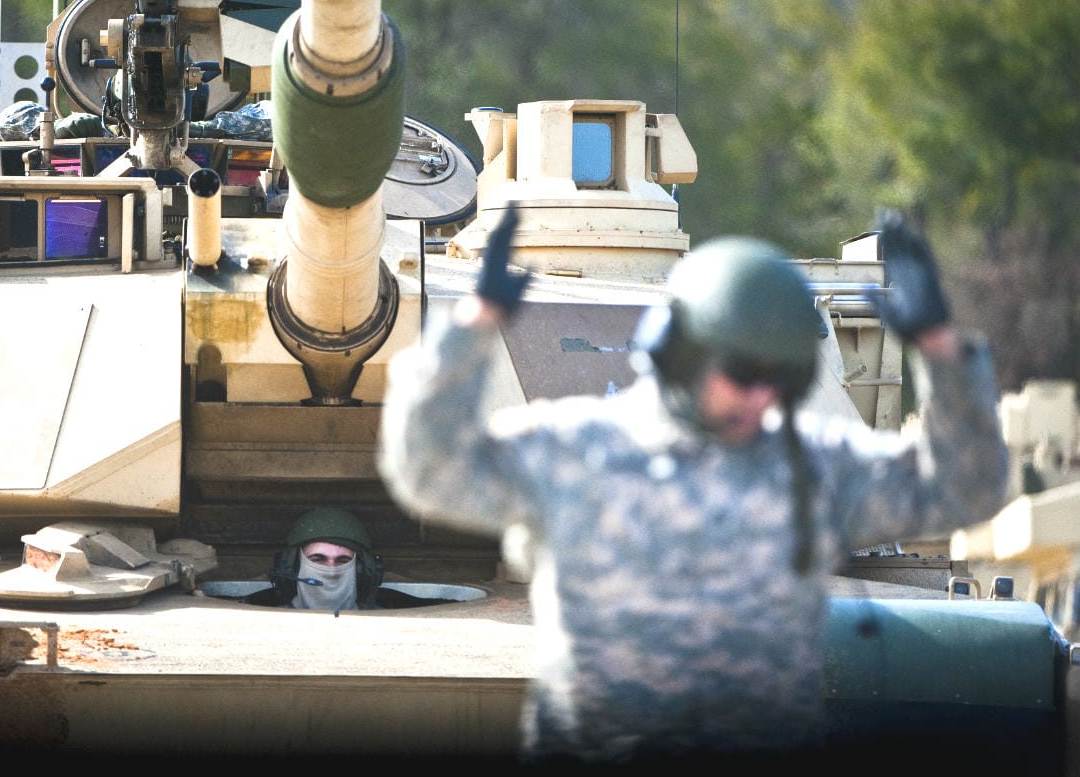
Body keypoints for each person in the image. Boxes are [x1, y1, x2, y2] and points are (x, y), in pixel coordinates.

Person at [377, 204, 1009, 765]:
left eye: (781, 380)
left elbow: (964, 489)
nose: (761, 398)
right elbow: (428, 470)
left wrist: (940, 350)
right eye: (742, 372)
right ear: (681, 350)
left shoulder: (813, 466)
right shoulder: (580, 449)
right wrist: (472, 326)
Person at [227, 506, 454, 611]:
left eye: (343, 561)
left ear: (363, 570)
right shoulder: (261, 618)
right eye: (318, 559)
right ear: (293, 567)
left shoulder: (390, 620)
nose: (331, 569)